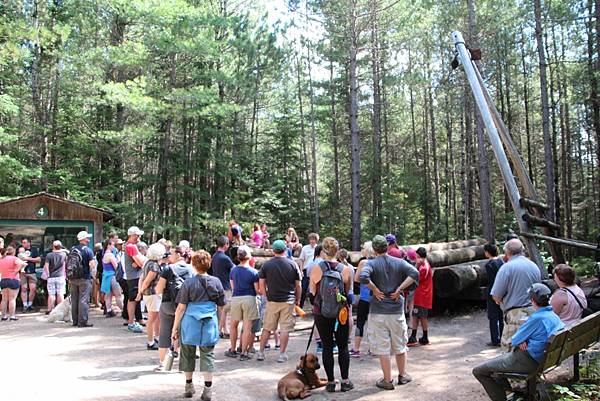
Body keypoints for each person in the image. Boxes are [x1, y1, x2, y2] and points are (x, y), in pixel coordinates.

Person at [473, 283, 565, 401]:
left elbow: (515, 339)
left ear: (532, 300)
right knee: (495, 369)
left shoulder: (536, 318)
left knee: (479, 371)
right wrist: (526, 339)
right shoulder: (553, 315)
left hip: (528, 361)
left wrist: (524, 339)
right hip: (544, 359)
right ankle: (517, 393)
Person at [360, 235, 419, 390]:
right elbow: (415, 273)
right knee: (400, 344)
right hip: (396, 310)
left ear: (374, 249)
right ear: (387, 247)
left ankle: (387, 380)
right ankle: (403, 375)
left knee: (382, 346)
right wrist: (400, 289)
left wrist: (374, 289)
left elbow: (363, 277)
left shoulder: (371, 263)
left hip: (378, 311)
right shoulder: (399, 262)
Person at [172, 250, 225, 400]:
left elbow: (181, 307)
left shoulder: (188, 283)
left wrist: (175, 327)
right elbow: (221, 307)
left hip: (190, 323)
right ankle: (208, 390)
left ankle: (189, 386)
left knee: (187, 353)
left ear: (194, 265)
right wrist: (219, 325)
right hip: (209, 323)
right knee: (207, 355)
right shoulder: (216, 282)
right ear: (209, 264)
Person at [309, 237, 354, 393]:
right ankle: (346, 381)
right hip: (340, 314)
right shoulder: (345, 269)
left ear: (323, 251)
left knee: (327, 347)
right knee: (343, 347)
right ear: (337, 250)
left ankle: (330, 382)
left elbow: (312, 293)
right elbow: (348, 294)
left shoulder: (316, 268)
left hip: (322, 313)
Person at [490, 239, 542, 350]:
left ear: (507, 252)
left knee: (510, 353)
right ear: (522, 250)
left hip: (515, 317)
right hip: (534, 313)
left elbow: (496, 295)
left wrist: (499, 300)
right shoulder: (534, 266)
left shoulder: (506, 268)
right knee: (530, 351)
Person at [256, 239, 302, 363]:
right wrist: (298, 299)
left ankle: (260, 352)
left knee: (267, 327)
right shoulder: (292, 264)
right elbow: (298, 285)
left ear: (273, 250)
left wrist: (265, 296)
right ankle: (282, 354)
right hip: (288, 300)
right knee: (285, 328)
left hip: (272, 300)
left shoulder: (267, 265)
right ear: (285, 250)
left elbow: (261, 282)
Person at [155, 246, 196, 371]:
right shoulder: (191, 269)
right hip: (185, 306)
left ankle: (162, 363)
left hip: (168, 304)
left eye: (171, 254)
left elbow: (158, 289)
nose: (169, 256)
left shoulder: (168, 269)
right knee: (185, 334)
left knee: (164, 333)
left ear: (178, 255)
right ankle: (184, 365)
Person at [226, 245, 260, 361]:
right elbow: (257, 290)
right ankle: (244, 352)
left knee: (233, 325)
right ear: (248, 257)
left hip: (236, 298)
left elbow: (233, 287)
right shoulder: (254, 272)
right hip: (249, 298)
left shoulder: (233, 271)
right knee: (247, 327)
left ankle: (232, 349)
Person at [138, 243, 165, 350]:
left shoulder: (147, 263)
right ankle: (150, 341)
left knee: (156, 317)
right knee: (152, 319)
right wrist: (140, 292)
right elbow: (147, 281)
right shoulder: (154, 266)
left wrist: (141, 291)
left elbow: (142, 278)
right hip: (153, 294)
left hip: (151, 294)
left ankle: (156, 337)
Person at [351, 241, 374, 358]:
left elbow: (356, 279)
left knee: (360, 322)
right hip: (376, 298)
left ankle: (356, 349)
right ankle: (373, 349)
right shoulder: (378, 262)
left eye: (363, 248)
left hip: (365, 297)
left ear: (367, 250)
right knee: (374, 323)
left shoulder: (363, 262)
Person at [70, 231, 97, 328]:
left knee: (74, 299)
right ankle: (83, 321)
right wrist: (93, 275)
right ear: (84, 239)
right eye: (87, 238)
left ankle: (75, 320)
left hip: (73, 278)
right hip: (84, 277)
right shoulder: (88, 250)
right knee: (83, 300)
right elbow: (92, 265)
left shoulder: (73, 249)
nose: (88, 240)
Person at [210, 236, 235, 338]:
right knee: (226, 309)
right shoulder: (225, 258)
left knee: (221, 309)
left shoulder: (214, 256)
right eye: (228, 244)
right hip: (225, 286)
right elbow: (234, 269)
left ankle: (225, 330)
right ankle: (221, 330)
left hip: (216, 286)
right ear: (225, 245)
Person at [408, 247, 433, 346]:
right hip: (420, 295)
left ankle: (423, 336)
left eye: (417, 257)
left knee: (421, 316)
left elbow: (416, 278)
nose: (416, 259)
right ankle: (415, 336)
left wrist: (416, 266)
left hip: (422, 296)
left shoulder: (423, 268)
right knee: (416, 315)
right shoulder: (423, 265)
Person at [124, 226, 147, 333]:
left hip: (134, 276)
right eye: (137, 235)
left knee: (135, 299)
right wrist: (139, 262)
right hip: (134, 277)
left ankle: (134, 320)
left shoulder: (131, 246)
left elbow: (139, 262)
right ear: (132, 235)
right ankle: (131, 322)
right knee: (132, 299)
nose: (139, 237)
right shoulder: (131, 246)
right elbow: (141, 262)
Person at [484, 243, 504, 347]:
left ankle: (495, 340)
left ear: (488, 252)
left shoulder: (489, 264)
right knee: (501, 316)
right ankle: (502, 337)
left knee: (492, 317)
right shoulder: (501, 261)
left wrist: (492, 294)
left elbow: (492, 281)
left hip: (493, 293)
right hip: (502, 292)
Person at [0, 246, 27, 321]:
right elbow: (24, 264)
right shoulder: (14, 258)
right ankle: (12, 316)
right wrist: (16, 271)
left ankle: (3, 316)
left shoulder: (1, 259)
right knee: (12, 299)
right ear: (14, 251)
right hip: (13, 280)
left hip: (3, 280)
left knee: (4, 299)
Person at [101, 240, 124, 318]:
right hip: (112, 276)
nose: (114, 247)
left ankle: (109, 310)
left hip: (106, 276)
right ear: (108, 245)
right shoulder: (110, 255)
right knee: (118, 295)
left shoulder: (104, 254)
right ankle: (123, 310)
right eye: (113, 245)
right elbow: (116, 266)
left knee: (109, 295)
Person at [43, 240, 67, 313]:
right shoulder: (63, 254)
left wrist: (48, 275)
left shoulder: (49, 255)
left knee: (51, 294)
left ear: (53, 246)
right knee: (60, 294)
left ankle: (50, 309)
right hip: (60, 276)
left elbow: (46, 266)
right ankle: (60, 310)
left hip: (51, 277)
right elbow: (65, 265)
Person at [19, 237, 41, 312]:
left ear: (29, 243)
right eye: (22, 242)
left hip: (32, 271)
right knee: (24, 288)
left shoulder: (34, 249)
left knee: (33, 288)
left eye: (25, 242)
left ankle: (30, 304)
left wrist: (28, 259)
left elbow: (38, 260)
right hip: (23, 272)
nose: (23, 244)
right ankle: (25, 305)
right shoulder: (20, 250)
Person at [298, 233, 319, 308]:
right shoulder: (305, 248)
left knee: (315, 290)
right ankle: (300, 307)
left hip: (316, 271)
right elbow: (301, 260)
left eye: (314, 239)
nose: (312, 241)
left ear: (316, 240)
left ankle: (315, 307)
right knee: (303, 289)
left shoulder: (319, 248)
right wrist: (300, 270)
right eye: (311, 239)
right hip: (306, 270)